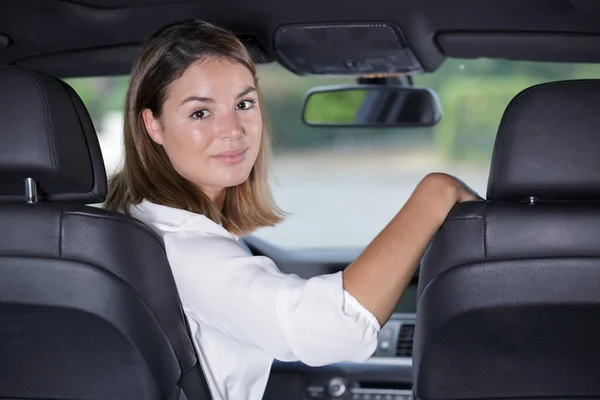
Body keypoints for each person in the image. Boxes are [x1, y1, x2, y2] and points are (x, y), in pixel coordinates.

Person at [104, 19, 479, 400]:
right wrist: (436, 193)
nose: (233, 129)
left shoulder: (134, 227)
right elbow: (336, 328)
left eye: (244, 104)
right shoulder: (185, 249)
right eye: (201, 112)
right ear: (153, 125)